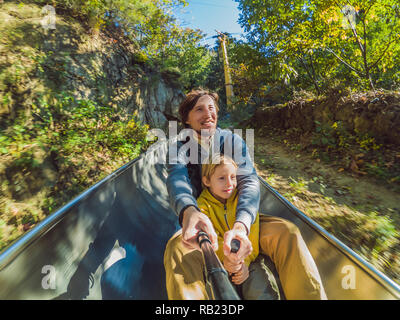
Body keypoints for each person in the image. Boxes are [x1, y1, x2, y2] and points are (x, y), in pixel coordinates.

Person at [164, 88, 327, 300]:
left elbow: (249, 180)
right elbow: (177, 178)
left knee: (288, 232)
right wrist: (189, 211)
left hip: (236, 215)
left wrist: (241, 225)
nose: (208, 114)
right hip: (203, 219)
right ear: (187, 118)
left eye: (211, 108)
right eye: (199, 109)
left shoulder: (232, 141)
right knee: (176, 249)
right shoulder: (178, 146)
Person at [197, 153, 280, 299]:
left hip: (249, 263)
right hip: (220, 264)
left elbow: (252, 233)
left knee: (261, 289)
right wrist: (229, 261)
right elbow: (211, 239)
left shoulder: (241, 200)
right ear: (207, 181)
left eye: (233, 177)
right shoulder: (203, 205)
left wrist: (243, 263)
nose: (229, 183)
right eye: (222, 178)